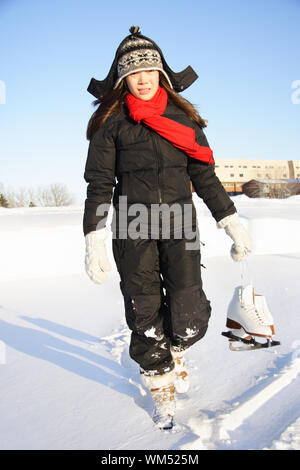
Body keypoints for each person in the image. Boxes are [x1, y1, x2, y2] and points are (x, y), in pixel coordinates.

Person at [83, 26, 251, 429]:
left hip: (179, 221)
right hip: (133, 224)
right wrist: (94, 237)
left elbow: (205, 176)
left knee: (189, 310)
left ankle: (176, 351)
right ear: (123, 77)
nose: (142, 79)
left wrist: (230, 220)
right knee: (143, 307)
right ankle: (160, 384)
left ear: (160, 73)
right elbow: (100, 183)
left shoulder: (184, 119)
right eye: (133, 73)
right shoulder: (111, 121)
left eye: (149, 71)